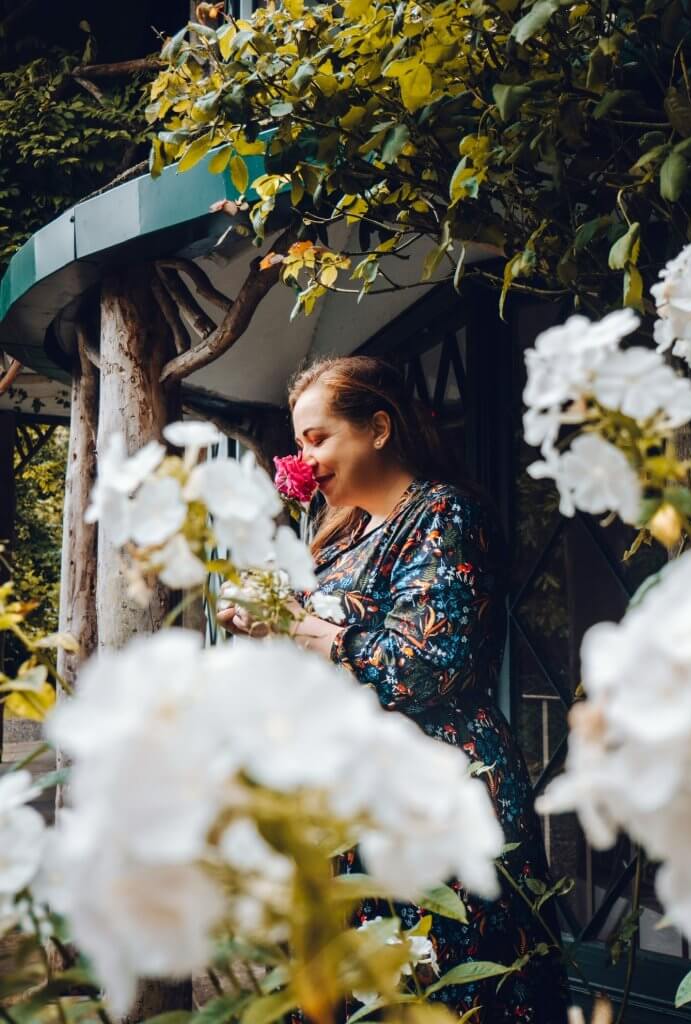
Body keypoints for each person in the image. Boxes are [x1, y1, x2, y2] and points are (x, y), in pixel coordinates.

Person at [217, 355, 568, 1023]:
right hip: (345, 798)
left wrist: (299, 627)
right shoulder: (337, 539)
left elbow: (421, 664)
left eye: (318, 438)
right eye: (298, 444)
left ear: (378, 429)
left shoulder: (443, 513)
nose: (304, 459)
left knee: (442, 988)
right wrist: (263, 626)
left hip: (437, 790)